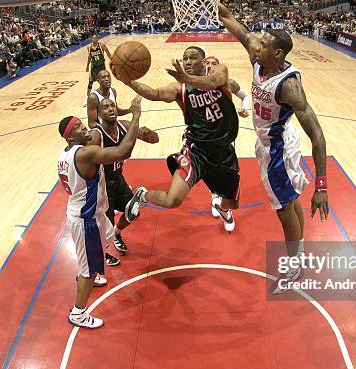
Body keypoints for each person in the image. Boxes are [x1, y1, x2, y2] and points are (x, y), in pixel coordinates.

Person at [218, 3, 329, 293]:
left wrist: (321, 186)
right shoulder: (260, 57)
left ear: (277, 54)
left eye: (264, 44)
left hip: (277, 147)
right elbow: (231, 21)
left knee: (282, 209)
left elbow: (317, 136)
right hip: (276, 140)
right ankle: (300, 256)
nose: (257, 46)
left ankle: (294, 267)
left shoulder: (289, 86)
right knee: (291, 202)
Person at [114, 46, 240, 232]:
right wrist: (127, 80)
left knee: (232, 204)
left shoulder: (218, 71)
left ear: (204, 62)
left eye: (192, 57)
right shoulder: (179, 89)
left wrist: (187, 78)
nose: (187, 62)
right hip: (196, 150)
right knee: (173, 200)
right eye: (184, 58)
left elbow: (214, 81)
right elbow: (154, 94)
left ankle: (222, 209)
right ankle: (143, 195)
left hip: (224, 152)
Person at [57, 95, 143, 328]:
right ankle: (78, 312)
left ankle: (89, 274)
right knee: (90, 269)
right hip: (85, 220)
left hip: (88, 212)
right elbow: (123, 151)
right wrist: (135, 116)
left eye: (82, 123)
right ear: (69, 136)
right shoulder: (85, 154)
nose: (84, 127)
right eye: (77, 127)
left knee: (107, 237)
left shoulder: (64, 155)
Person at [165, 55, 251, 218]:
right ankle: (214, 197)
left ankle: (223, 206)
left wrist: (244, 108)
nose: (211, 67)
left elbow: (245, 96)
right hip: (203, 142)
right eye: (209, 64)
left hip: (225, 139)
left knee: (227, 182)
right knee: (211, 174)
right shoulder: (193, 89)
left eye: (214, 64)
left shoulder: (227, 83)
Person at [90, 98, 158, 265]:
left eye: (112, 105)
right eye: (105, 107)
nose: (111, 109)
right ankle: (102, 253)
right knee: (104, 226)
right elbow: (124, 153)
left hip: (118, 178)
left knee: (133, 211)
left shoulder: (124, 126)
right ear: (99, 114)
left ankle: (117, 233)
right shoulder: (96, 136)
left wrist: (146, 134)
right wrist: (136, 117)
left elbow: (154, 139)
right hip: (101, 185)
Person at [84, 34, 111, 106]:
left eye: (95, 38)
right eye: (93, 38)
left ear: (98, 39)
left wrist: (113, 61)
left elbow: (108, 54)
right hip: (94, 67)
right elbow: (89, 57)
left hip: (101, 66)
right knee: (90, 82)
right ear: (91, 39)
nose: (94, 39)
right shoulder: (89, 48)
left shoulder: (102, 46)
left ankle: (107, 96)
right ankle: (87, 98)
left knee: (104, 82)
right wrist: (87, 66)